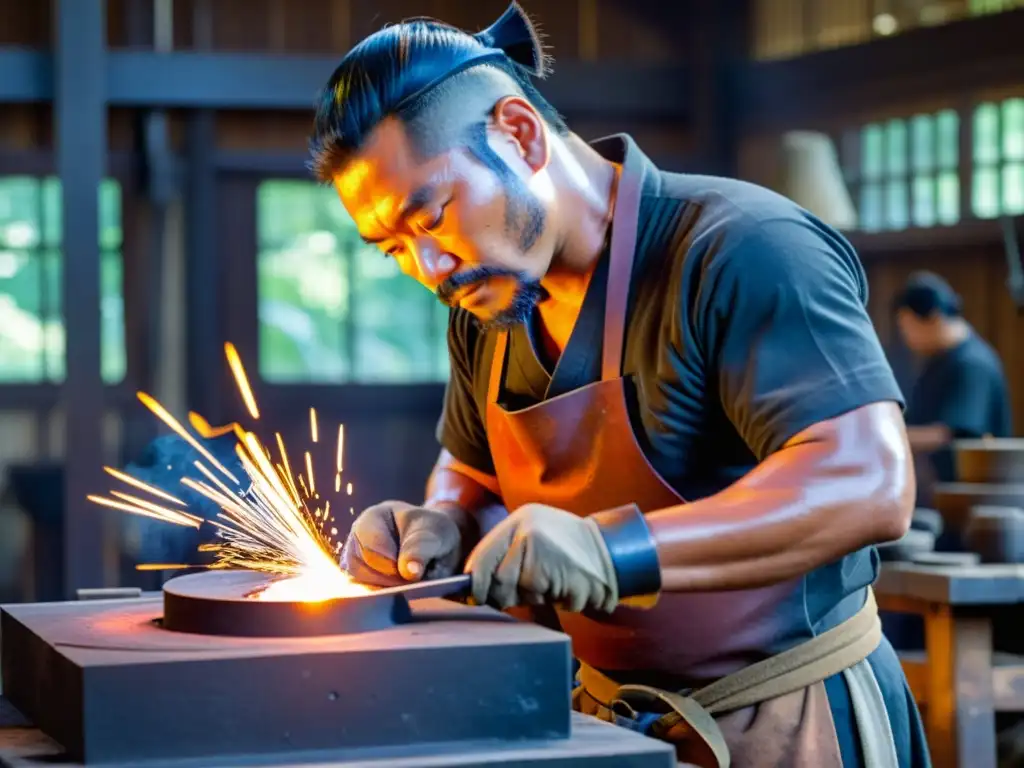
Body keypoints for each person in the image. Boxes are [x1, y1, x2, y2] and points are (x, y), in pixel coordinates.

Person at [312, 4, 930, 766]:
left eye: (431, 216)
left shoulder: (741, 249)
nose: (427, 269)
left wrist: (612, 552)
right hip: (605, 727)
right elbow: (472, 472)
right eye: (392, 249)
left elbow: (868, 482)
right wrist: (440, 525)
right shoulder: (492, 302)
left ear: (520, 132)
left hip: (788, 721)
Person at [895, 271, 1012, 503]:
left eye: (907, 326)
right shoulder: (938, 361)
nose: (906, 337)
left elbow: (950, 432)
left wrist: (888, 438)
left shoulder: (972, 364)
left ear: (934, 317)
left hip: (977, 503)